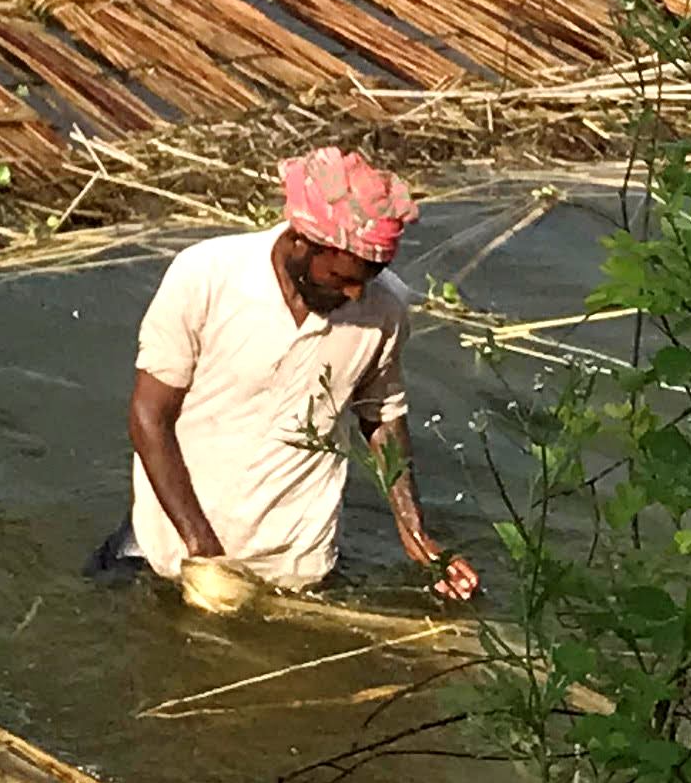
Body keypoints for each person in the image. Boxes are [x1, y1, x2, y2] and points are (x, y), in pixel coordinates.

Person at [125, 146, 476, 601]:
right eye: (342, 277)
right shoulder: (206, 276)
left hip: (294, 564)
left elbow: (382, 419)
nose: (356, 294)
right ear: (301, 243)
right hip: (170, 544)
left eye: (370, 277)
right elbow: (150, 416)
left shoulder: (383, 311)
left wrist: (416, 536)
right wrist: (204, 552)